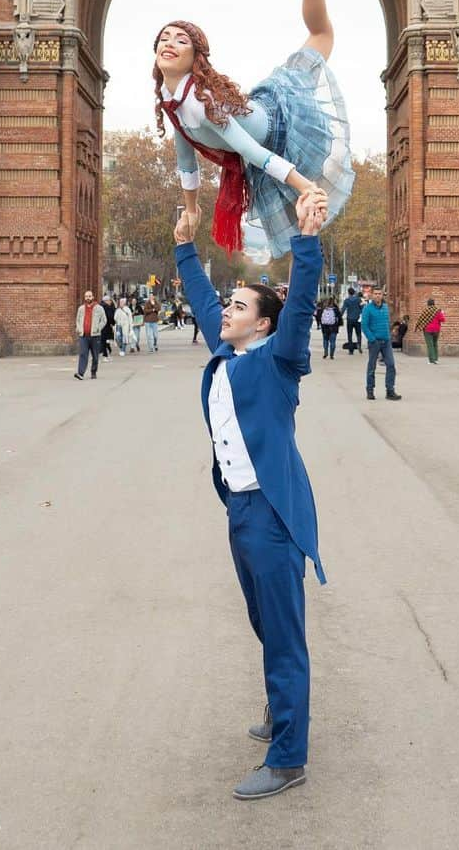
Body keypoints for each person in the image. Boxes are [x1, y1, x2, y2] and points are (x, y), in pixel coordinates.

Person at [174, 190, 326, 801]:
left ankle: (288, 756)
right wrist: (185, 243)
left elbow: (302, 302)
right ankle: (279, 703)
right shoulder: (225, 350)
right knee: (263, 619)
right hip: (238, 509)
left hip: (271, 514)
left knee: (285, 635)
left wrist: (305, 237)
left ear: (262, 324)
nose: (226, 310)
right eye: (229, 304)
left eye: (238, 305)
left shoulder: (278, 360)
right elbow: (201, 297)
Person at [154, 0, 353, 262]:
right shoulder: (172, 102)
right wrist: (192, 208)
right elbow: (186, 160)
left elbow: (252, 152)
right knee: (299, 228)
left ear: (195, 57)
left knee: (322, 35)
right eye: (164, 37)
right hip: (264, 130)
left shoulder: (200, 103)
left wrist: (306, 185)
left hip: (283, 121)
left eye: (180, 39)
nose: (169, 42)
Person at [361, 288, 401, 401]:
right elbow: (364, 325)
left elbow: (387, 322)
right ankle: (370, 390)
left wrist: (390, 334)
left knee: (391, 365)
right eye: (376, 294)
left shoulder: (385, 308)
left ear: (382, 295)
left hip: (386, 341)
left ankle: (390, 391)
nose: (378, 296)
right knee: (372, 366)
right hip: (375, 342)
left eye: (380, 294)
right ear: (372, 295)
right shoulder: (367, 309)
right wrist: (372, 339)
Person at [73, 290, 106, 380]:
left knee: (95, 355)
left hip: (95, 336)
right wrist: (79, 329)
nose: (88, 298)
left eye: (89, 296)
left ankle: (93, 371)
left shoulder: (99, 308)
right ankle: (81, 373)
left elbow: (104, 320)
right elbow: (78, 320)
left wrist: (98, 328)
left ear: (93, 297)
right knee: (83, 354)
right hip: (84, 336)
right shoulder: (81, 309)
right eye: (86, 296)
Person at [416, 298, 446, 364]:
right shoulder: (438, 311)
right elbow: (443, 320)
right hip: (436, 330)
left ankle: (431, 360)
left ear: (428, 304)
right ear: (434, 303)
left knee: (430, 345)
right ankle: (436, 359)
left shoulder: (425, 310)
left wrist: (420, 326)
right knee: (435, 344)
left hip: (427, 330)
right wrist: (442, 313)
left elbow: (421, 319)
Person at [342, 286, 363, 354]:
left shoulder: (347, 300)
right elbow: (362, 308)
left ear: (348, 293)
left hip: (349, 319)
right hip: (357, 319)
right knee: (358, 333)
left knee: (350, 334)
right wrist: (360, 313)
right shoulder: (358, 300)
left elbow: (343, 309)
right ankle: (359, 345)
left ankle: (351, 350)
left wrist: (339, 317)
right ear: (354, 292)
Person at [100, 293, 116, 359]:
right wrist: (113, 322)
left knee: (104, 340)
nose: (110, 302)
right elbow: (110, 317)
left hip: (101, 325)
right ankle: (105, 355)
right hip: (106, 325)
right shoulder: (107, 307)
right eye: (109, 300)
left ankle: (105, 352)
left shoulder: (100, 306)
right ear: (106, 301)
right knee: (104, 340)